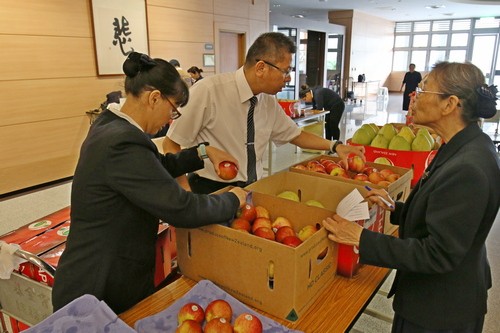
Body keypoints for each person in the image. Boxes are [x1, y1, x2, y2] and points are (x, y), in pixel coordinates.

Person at [52, 52, 247, 314]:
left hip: (107, 272)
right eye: (173, 110)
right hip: (100, 284)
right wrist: (233, 198)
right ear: (154, 98)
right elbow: (182, 208)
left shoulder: (111, 126)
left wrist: (203, 152)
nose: (170, 120)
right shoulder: (122, 143)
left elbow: (155, 168)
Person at [323, 62, 500, 332]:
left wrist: (361, 238)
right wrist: (398, 209)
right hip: (434, 300)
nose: (414, 96)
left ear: (449, 104)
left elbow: (438, 253)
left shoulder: (469, 167)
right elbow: (445, 215)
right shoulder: (462, 145)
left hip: (440, 310)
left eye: (424, 89)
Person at [163, 32, 365, 194]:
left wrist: (335, 145)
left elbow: (295, 134)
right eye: (285, 71)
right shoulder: (208, 92)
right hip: (210, 189)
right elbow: (171, 143)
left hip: (251, 189)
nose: (288, 79)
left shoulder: (266, 100)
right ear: (261, 68)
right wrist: (184, 193)